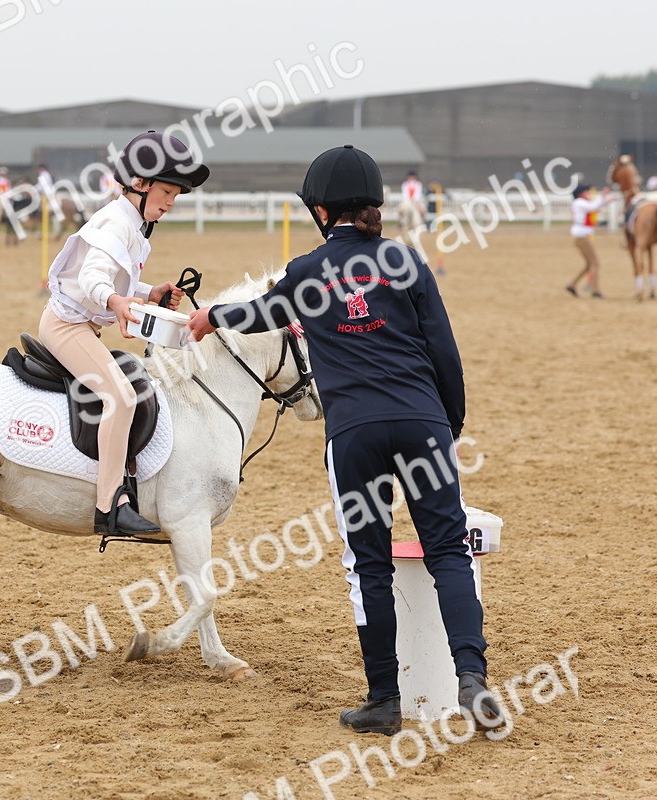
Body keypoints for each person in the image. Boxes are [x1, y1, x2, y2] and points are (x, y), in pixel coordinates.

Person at [187, 144, 501, 735]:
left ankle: (384, 700)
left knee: (369, 564)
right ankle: (471, 678)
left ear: (322, 212)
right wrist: (446, 429)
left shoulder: (306, 272)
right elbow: (446, 356)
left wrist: (209, 317)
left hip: (354, 433)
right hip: (422, 424)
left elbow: (260, 314)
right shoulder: (408, 262)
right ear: (374, 206)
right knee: (448, 550)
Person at [39, 132, 207, 536]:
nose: (170, 202)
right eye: (167, 191)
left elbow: (117, 280)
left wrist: (151, 293)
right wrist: (116, 302)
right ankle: (109, 504)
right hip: (66, 327)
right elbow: (93, 277)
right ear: (140, 183)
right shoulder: (116, 222)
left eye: (176, 195)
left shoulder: (132, 223)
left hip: (81, 326)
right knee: (121, 396)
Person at [566, 183, 612, 298]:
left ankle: (572, 284)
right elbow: (593, 207)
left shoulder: (580, 203)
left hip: (581, 236)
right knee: (595, 263)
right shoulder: (579, 203)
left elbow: (594, 206)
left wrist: (606, 199)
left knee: (589, 264)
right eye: (586, 192)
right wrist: (603, 196)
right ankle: (595, 290)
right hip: (582, 236)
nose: (589, 194)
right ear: (581, 194)